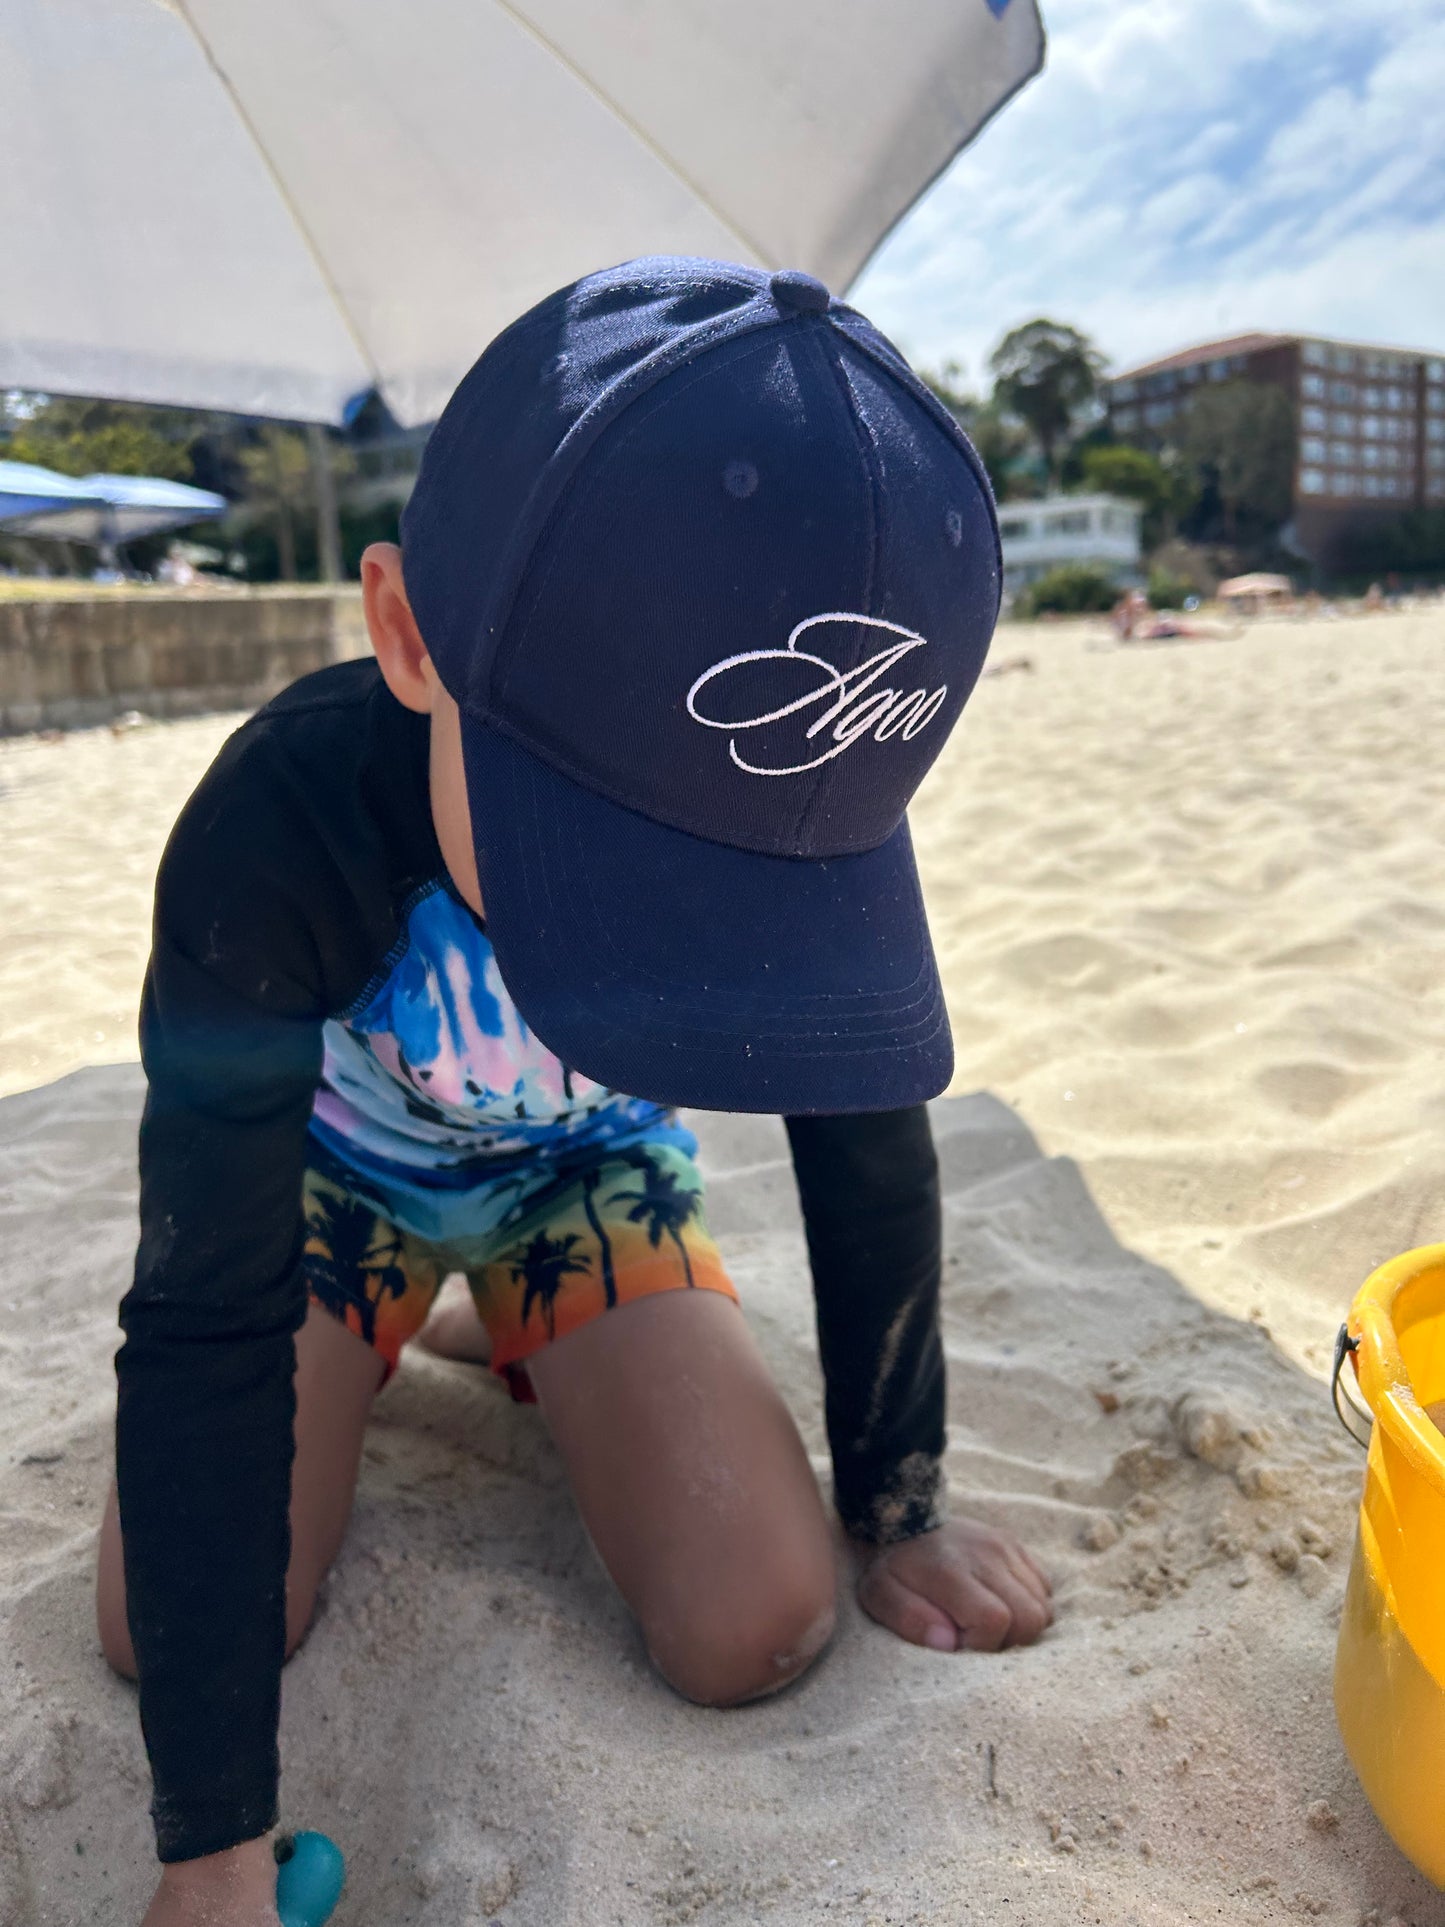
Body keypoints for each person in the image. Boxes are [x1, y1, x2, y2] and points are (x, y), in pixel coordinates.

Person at [99, 257, 1053, 1927]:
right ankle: (424, 1313)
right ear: (405, 636)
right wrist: (214, 1855)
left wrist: (897, 1504)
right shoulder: (281, 828)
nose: (687, 922)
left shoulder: (805, 783)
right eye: (614, 862)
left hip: (578, 1178)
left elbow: (867, 1139)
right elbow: (195, 1313)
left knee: (755, 1619)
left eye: (746, 889)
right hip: (339, 1179)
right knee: (170, 1628)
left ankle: (497, 1319)